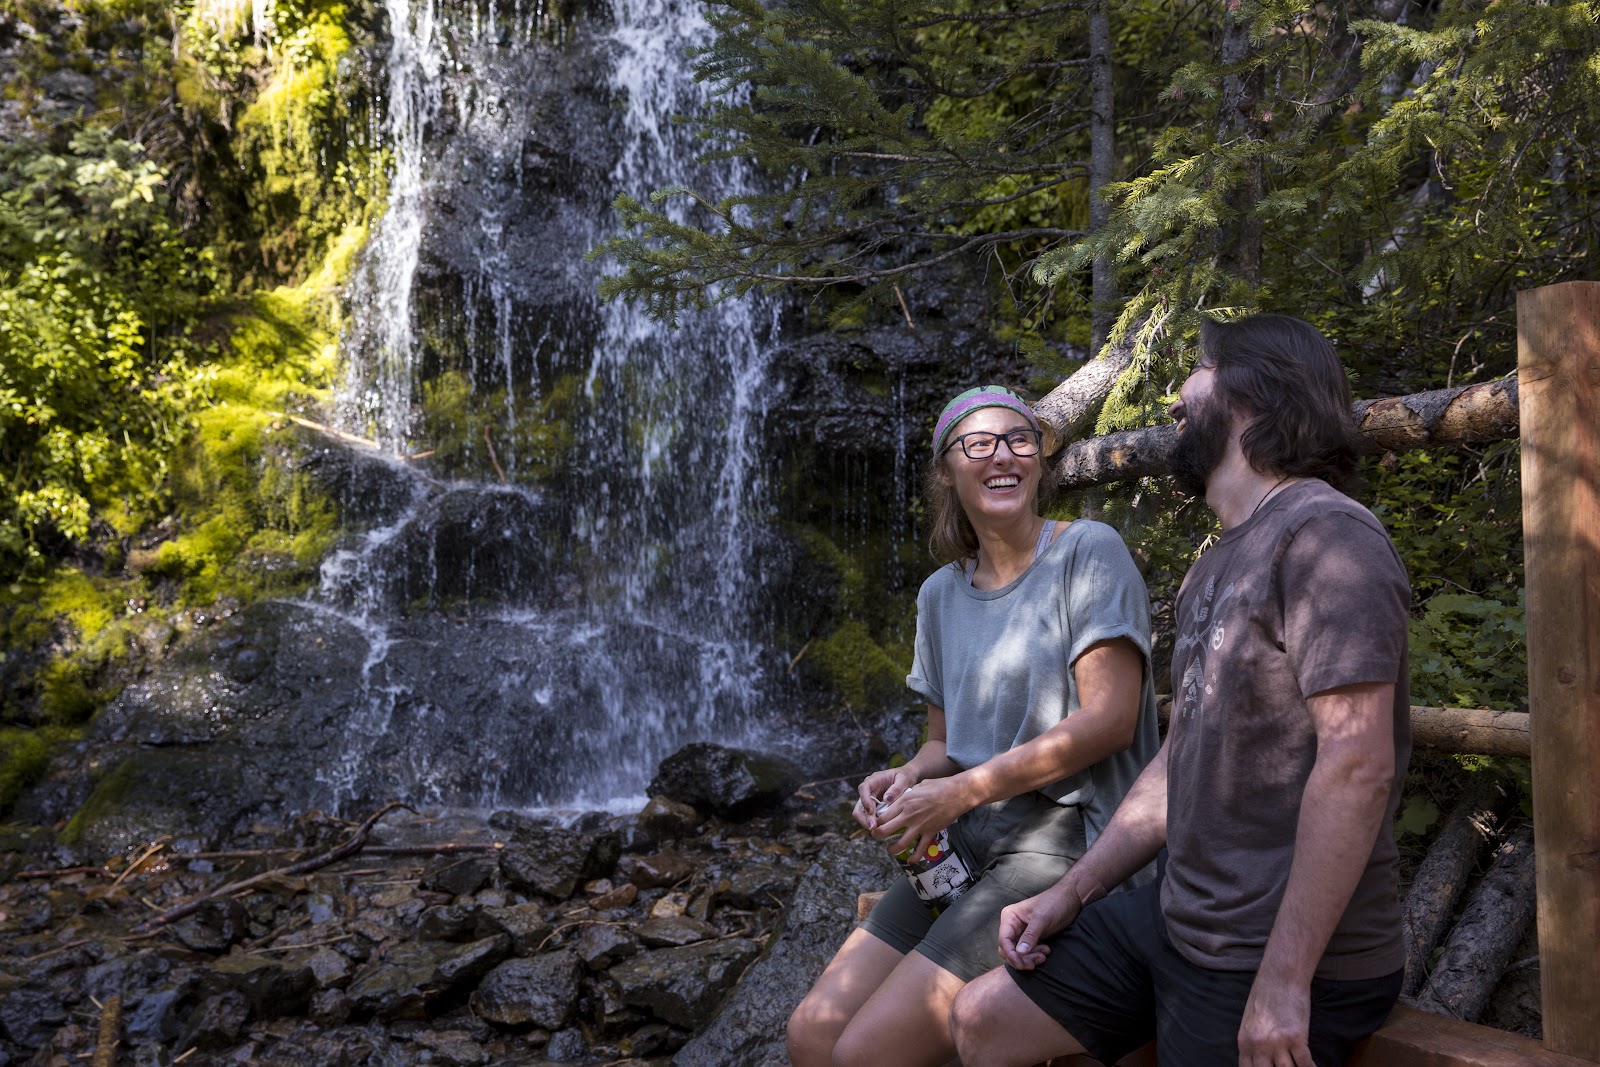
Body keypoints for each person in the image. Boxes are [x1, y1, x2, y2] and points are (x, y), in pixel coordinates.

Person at [949, 314, 1413, 1067]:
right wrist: (1075, 889)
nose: (1173, 399)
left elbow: (1358, 766)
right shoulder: (1217, 561)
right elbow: (1179, 760)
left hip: (1285, 956)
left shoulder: (1330, 539)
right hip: (1179, 919)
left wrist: (1284, 981)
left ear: (1250, 397)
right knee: (982, 1019)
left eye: (1196, 373)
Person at [787, 385, 1162, 1067]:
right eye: (978, 443)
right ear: (946, 470)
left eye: (1020, 440)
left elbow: (1109, 719)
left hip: (1067, 839)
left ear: (1039, 464)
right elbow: (942, 744)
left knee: (864, 1054)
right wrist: (904, 781)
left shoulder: (1089, 552)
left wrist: (961, 792)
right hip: (969, 842)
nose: (1003, 456)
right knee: (811, 1036)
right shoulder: (939, 595)